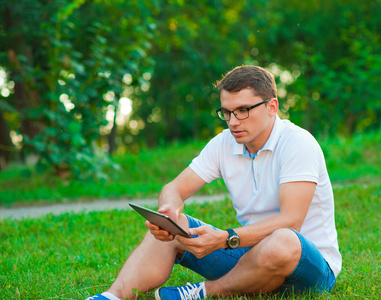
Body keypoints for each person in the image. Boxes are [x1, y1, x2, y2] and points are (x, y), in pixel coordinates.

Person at [86, 65, 341, 300]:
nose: (232, 122)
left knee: (284, 239)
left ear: (272, 107)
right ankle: (112, 296)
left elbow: (291, 221)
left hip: (308, 266)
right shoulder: (224, 144)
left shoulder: (298, 143)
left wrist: (225, 238)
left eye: (243, 110)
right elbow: (173, 188)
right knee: (178, 225)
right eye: (227, 112)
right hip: (250, 257)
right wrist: (169, 215)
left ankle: (206, 291)